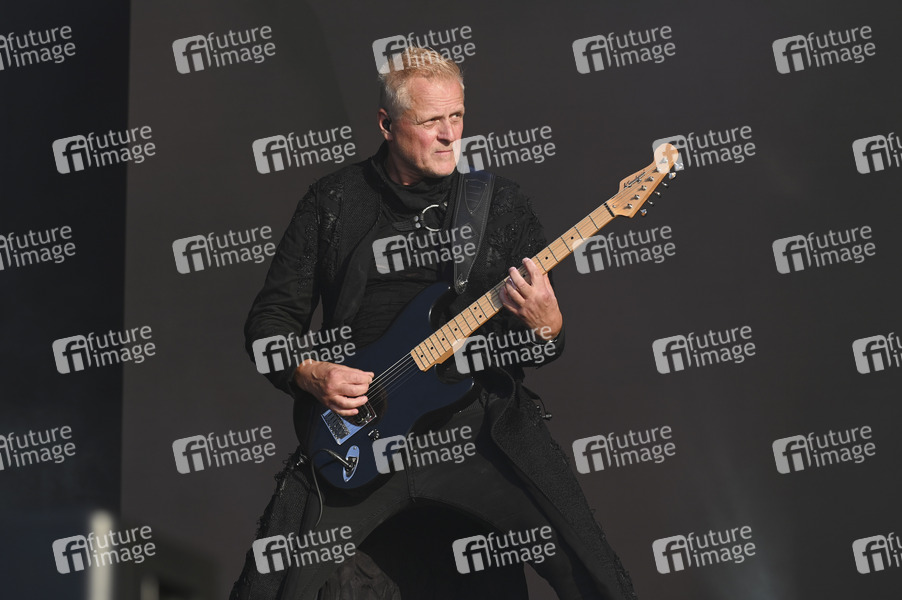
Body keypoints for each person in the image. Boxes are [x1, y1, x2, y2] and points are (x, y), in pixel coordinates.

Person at [232, 47, 637, 600]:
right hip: (363, 427)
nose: (450, 135)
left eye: (457, 116)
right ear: (387, 124)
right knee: (271, 587)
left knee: (591, 570)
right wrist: (310, 373)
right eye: (430, 122)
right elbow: (270, 322)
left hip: (475, 427)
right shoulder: (334, 202)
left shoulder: (499, 206)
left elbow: (536, 347)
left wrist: (548, 326)